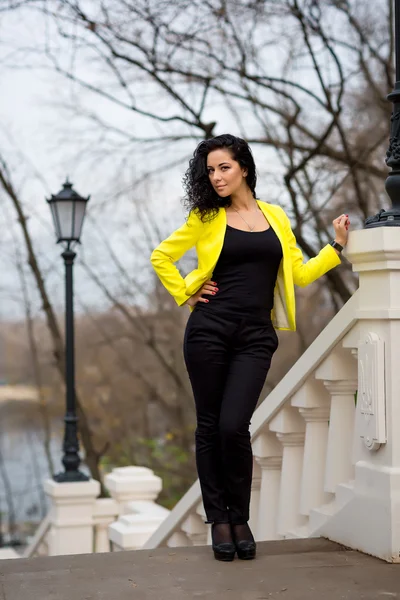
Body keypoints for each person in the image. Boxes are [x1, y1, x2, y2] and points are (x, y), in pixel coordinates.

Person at [150, 134, 349, 562]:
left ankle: (239, 516)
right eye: (210, 171)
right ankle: (220, 521)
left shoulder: (275, 215)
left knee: (232, 426)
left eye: (224, 167)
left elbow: (298, 273)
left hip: (256, 335)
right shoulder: (206, 217)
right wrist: (188, 292)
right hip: (209, 329)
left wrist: (335, 248)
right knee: (209, 426)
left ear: (243, 166)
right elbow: (161, 256)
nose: (217, 177)